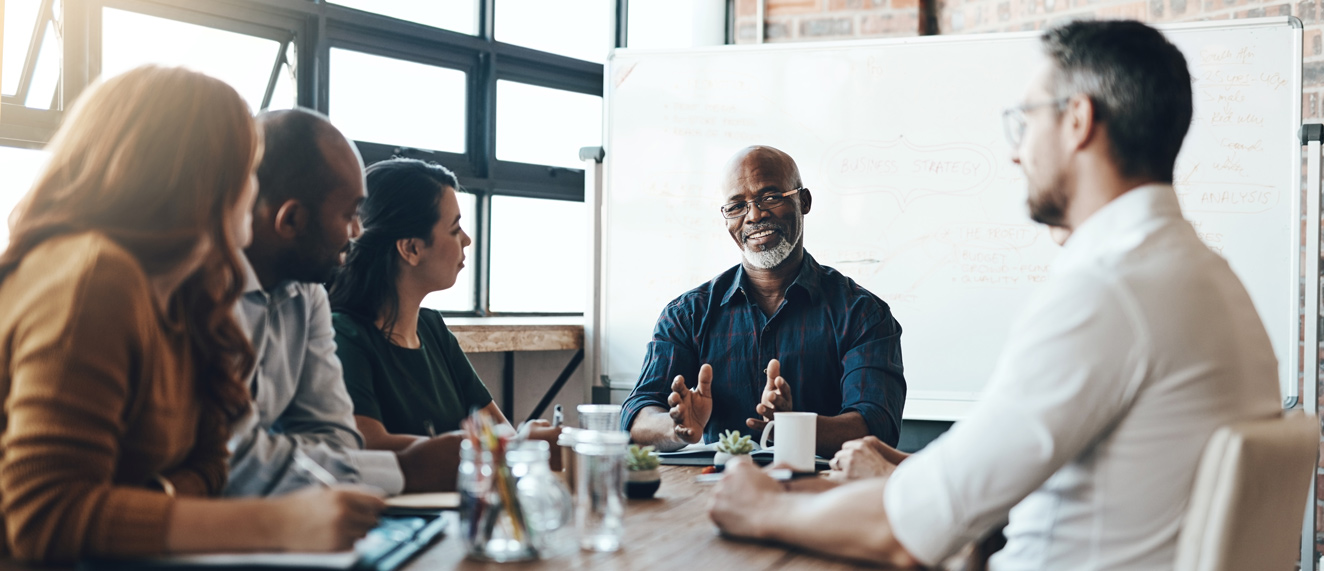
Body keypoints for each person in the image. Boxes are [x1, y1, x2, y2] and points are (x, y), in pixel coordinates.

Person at [708, 20, 1282, 570]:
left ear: (1078, 121)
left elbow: (910, 535)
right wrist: (907, 471)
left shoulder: (1107, 292)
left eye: (1025, 122)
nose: (1015, 153)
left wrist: (762, 506)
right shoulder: (1206, 279)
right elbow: (1040, 477)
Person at [0, 66, 383, 563]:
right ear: (195, 178)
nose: (255, 190)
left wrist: (140, 502)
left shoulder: (191, 295)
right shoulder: (97, 277)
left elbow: (212, 465)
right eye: (248, 170)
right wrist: (278, 523)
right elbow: (45, 516)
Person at [225, 109, 458, 496]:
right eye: (350, 214)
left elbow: (337, 441)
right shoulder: (202, 292)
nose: (358, 231)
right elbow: (230, 459)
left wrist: (287, 458)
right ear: (292, 220)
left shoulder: (308, 295)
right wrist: (404, 469)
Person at [621, 146, 907, 456]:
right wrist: (676, 428)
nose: (754, 215)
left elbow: (878, 425)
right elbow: (636, 416)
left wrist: (792, 428)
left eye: (770, 197)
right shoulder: (687, 314)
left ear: (804, 201)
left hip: (821, 495)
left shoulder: (862, 313)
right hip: (714, 492)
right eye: (736, 206)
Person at [327, 158, 561, 459]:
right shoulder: (343, 336)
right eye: (454, 229)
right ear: (411, 248)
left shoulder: (433, 329)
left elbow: (499, 431)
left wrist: (519, 443)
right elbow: (370, 448)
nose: (467, 239)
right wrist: (516, 446)